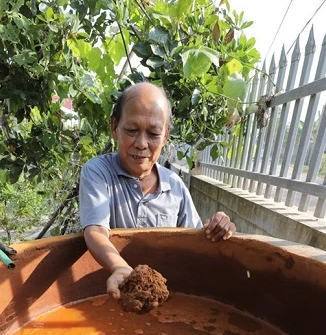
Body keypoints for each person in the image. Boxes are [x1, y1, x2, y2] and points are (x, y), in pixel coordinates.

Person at [79, 82, 236, 299]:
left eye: (153, 133)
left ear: (165, 135)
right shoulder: (99, 172)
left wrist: (218, 226)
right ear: (114, 127)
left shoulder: (176, 187)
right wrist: (121, 269)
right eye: (132, 130)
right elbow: (95, 230)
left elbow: (195, 244)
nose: (141, 143)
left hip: (163, 305)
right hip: (111, 296)